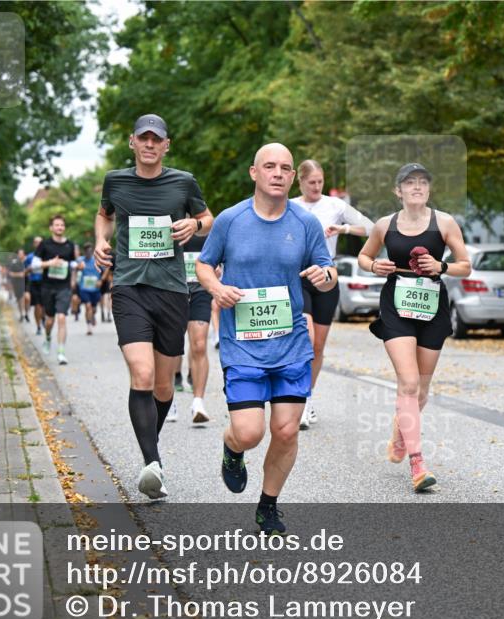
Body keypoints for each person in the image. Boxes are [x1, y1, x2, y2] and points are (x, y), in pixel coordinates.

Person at [197, 143, 337, 535]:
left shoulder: (305, 223)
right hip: (243, 344)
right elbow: (204, 264)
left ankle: (268, 505)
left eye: (285, 168)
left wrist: (325, 277)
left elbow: (328, 271)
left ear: (292, 177)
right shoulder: (231, 219)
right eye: (270, 166)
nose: (278, 173)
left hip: (291, 344)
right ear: (254, 172)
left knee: (287, 431)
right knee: (249, 432)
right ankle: (232, 448)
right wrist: (216, 288)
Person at [94, 113, 213, 500]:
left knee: (163, 387)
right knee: (142, 375)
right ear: (132, 142)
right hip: (129, 287)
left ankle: (151, 455)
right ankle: (153, 462)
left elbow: (207, 218)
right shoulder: (116, 181)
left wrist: (195, 226)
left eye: (156, 139)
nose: (149, 144)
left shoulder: (183, 182)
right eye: (143, 138)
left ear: (166, 145)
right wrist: (100, 241)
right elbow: (104, 214)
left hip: (172, 291)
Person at [358, 163, 471, 492]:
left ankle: (400, 431)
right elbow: (364, 257)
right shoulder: (385, 225)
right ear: (399, 191)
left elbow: (465, 265)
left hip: (432, 305)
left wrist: (441, 265)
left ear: (429, 189)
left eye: (423, 182)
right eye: (410, 183)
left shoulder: (444, 223)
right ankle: (418, 465)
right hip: (396, 304)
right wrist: (374, 265)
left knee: (420, 391)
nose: (417, 187)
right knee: (408, 383)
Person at [290, 159, 373, 430]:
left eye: (320, 182)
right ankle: (298, 399)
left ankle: (307, 397)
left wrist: (343, 228)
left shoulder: (335, 206)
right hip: (300, 275)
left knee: (318, 346)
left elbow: (371, 228)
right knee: (307, 338)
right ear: (300, 182)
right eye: (311, 182)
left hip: (327, 275)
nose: (316, 187)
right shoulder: (290, 205)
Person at [36, 215, 78, 364]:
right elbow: (34, 264)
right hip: (48, 287)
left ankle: (61, 352)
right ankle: (48, 337)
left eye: (62, 225)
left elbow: (73, 263)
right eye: (57, 225)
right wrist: (50, 263)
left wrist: (77, 266)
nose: (60, 227)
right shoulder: (44, 244)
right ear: (51, 228)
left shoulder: (70, 245)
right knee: (49, 320)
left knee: (61, 317)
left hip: (64, 287)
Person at [183, 234, 212, 426]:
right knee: (171, 346)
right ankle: (166, 399)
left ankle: (198, 402)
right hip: (172, 289)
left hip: (200, 289)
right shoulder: (169, 222)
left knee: (199, 344)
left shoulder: (210, 228)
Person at [75, 243, 104, 335]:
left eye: (90, 251)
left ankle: (92, 315)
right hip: (84, 288)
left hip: (95, 289)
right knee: (88, 306)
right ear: (84, 251)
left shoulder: (97, 260)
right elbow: (74, 269)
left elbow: (106, 270)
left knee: (93, 309)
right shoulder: (80, 260)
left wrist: (101, 280)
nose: (88, 253)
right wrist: (78, 268)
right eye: (87, 251)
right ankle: (89, 327)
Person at [25, 236, 44, 334]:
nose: (38, 244)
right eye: (36, 242)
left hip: (45, 283)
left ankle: (43, 317)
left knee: (45, 305)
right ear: (34, 244)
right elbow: (24, 271)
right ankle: (38, 326)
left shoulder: (47, 255)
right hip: (34, 282)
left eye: (40, 242)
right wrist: (29, 269)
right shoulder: (29, 257)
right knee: (37, 305)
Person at [7, 248, 28, 321]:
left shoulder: (28, 261)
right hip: (18, 283)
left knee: (26, 297)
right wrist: (19, 274)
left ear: (24, 254)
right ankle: (22, 314)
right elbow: (10, 273)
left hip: (28, 282)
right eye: (19, 254)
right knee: (20, 299)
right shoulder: (14, 263)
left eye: (22, 254)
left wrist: (23, 273)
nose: (20, 255)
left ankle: (26, 312)